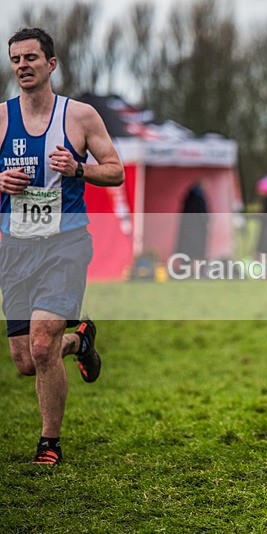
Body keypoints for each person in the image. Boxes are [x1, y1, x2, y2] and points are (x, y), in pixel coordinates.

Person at [0, 28, 124, 465]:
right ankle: (79, 342)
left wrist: (78, 169)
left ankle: (48, 443)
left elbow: (116, 171)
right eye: (16, 59)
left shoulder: (80, 117)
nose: (23, 65)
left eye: (31, 57)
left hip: (65, 245)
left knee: (40, 345)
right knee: (25, 361)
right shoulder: (1, 118)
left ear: (51, 64)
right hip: (15, 249)